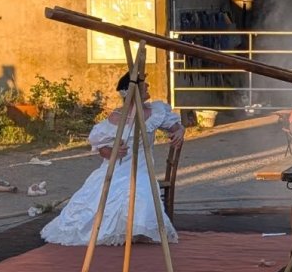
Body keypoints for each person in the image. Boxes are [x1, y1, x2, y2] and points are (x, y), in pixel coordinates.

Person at [41, 73, 185, 245]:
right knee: (111, 191)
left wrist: (180, 131)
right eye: (144, 85)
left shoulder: (155, 111)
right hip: (117, 166)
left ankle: (138, 229)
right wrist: (112, 152)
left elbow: (175, 127)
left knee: (140, 188)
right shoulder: (117, 117)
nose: (147, 87)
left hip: (142, 167)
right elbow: (99, 147)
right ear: (134, 91)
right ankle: (120, 229)